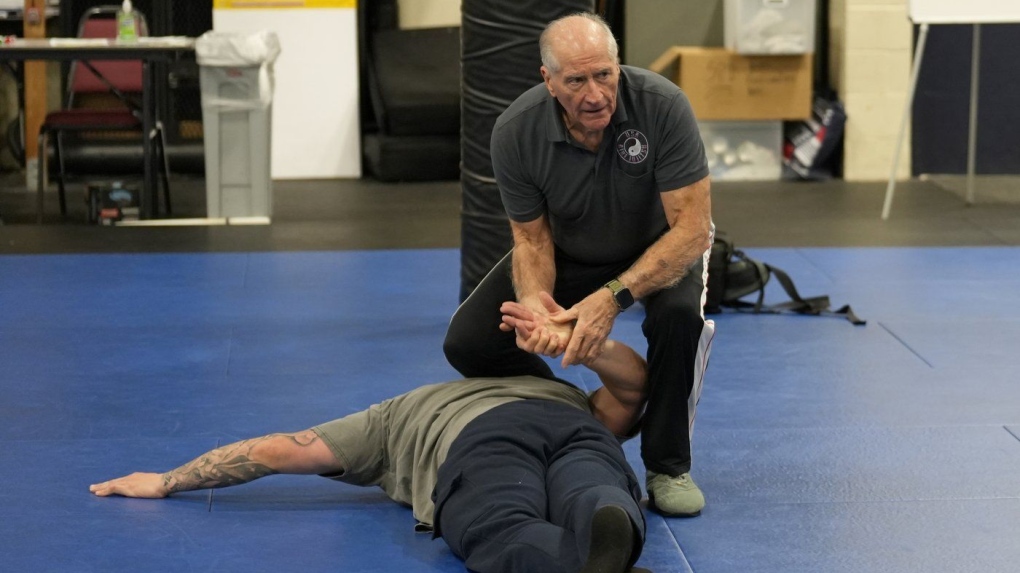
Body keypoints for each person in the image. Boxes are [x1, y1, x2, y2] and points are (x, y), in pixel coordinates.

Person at [443, 12, 715, 518]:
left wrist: (613, 297)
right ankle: (581, 413)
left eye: (604, 75)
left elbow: (693, 230)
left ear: (618, 67)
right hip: (570, 246)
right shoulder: (515, 132)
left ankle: (667, 464)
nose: (595, 95)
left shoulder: (662, 106)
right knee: (468, 342)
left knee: (678, 319)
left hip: (661, 244)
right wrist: (538, 310)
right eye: (576, 81)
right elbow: (531, 239)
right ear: (548, 81)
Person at [91, 332, 654, 573]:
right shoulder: (565, 391)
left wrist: (168, 479)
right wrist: (587, 343)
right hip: (575, 428)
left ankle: (583, 562)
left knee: (499, 523)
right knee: (590, 483)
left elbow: (277, 451)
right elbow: (634, 390)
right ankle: (607, 517)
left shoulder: (396, 414)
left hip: (480, 439)